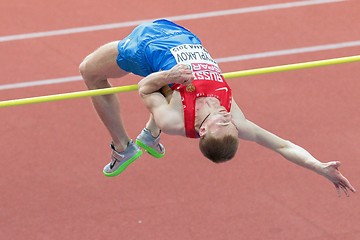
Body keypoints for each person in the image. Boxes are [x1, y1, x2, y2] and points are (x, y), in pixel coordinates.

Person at [79, 19, 355, 197]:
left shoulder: (173, 120)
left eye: (222, 124)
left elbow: (145, 88)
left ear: (202, 130)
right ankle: (149, 138)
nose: (228, 117)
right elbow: (283, 146)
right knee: (178, 90)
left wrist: (168, 77)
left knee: (89, 70)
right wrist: (319, 166)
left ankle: (123, 147)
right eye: (231, 125)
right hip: (182, 36)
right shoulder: (234, 119)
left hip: (144, 49)